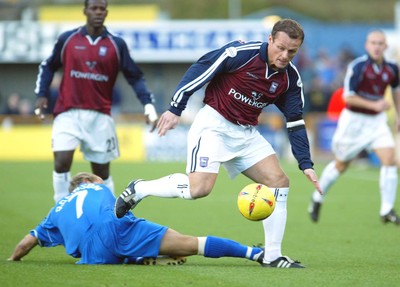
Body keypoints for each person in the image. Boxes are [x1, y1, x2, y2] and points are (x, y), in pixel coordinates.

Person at [115, 19, 322, 268]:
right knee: (198, 189)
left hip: (246, 133)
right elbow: (200, 69)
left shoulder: (290, 78)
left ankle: (272, 255)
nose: (285, 55)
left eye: (292, 51)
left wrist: (305, 163)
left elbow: (295, 121)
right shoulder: (240, 54)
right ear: (270, 39)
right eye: (281, 47)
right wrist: (175, 109)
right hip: (213, 124)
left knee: (279, 181)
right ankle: (140, 188)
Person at [33, 0, 158, 202]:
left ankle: (109, 213)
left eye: (102, 9)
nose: (98, 12)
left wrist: (148, 105)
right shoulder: (68, 39)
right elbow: (48, 66)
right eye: (94, 8)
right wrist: (41, 94)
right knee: (61, 162)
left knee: (101, 173)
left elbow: (134, 76)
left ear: (106, 12)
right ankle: (59, 210)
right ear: (85, 11)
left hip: (100, 116)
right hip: (68, 112)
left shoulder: (116, 45)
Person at [8, 172, 265, 266]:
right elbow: (115, 216)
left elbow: (26, 243)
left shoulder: (55, 210)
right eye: (97, 179)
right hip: (117, 229)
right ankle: (254, 254)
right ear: (86, 182)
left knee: (117, 250)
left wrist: (12, 259)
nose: (103, 182)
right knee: (191, 244)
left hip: (92, 255)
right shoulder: (99, 188)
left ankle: (137, 258)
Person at [308, 30, 400, 225]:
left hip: (377, 121)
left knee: (389, 160)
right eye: (373, 42)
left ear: (385, 47)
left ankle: (386, 209)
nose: (377, 46)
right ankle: (317, 198)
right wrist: (374, 104)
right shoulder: (358, 67)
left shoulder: (392, 68)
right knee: (341, 165)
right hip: (354, 121)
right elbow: (347, 96)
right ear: (367, 45)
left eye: (380, 43)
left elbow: (395, 91)